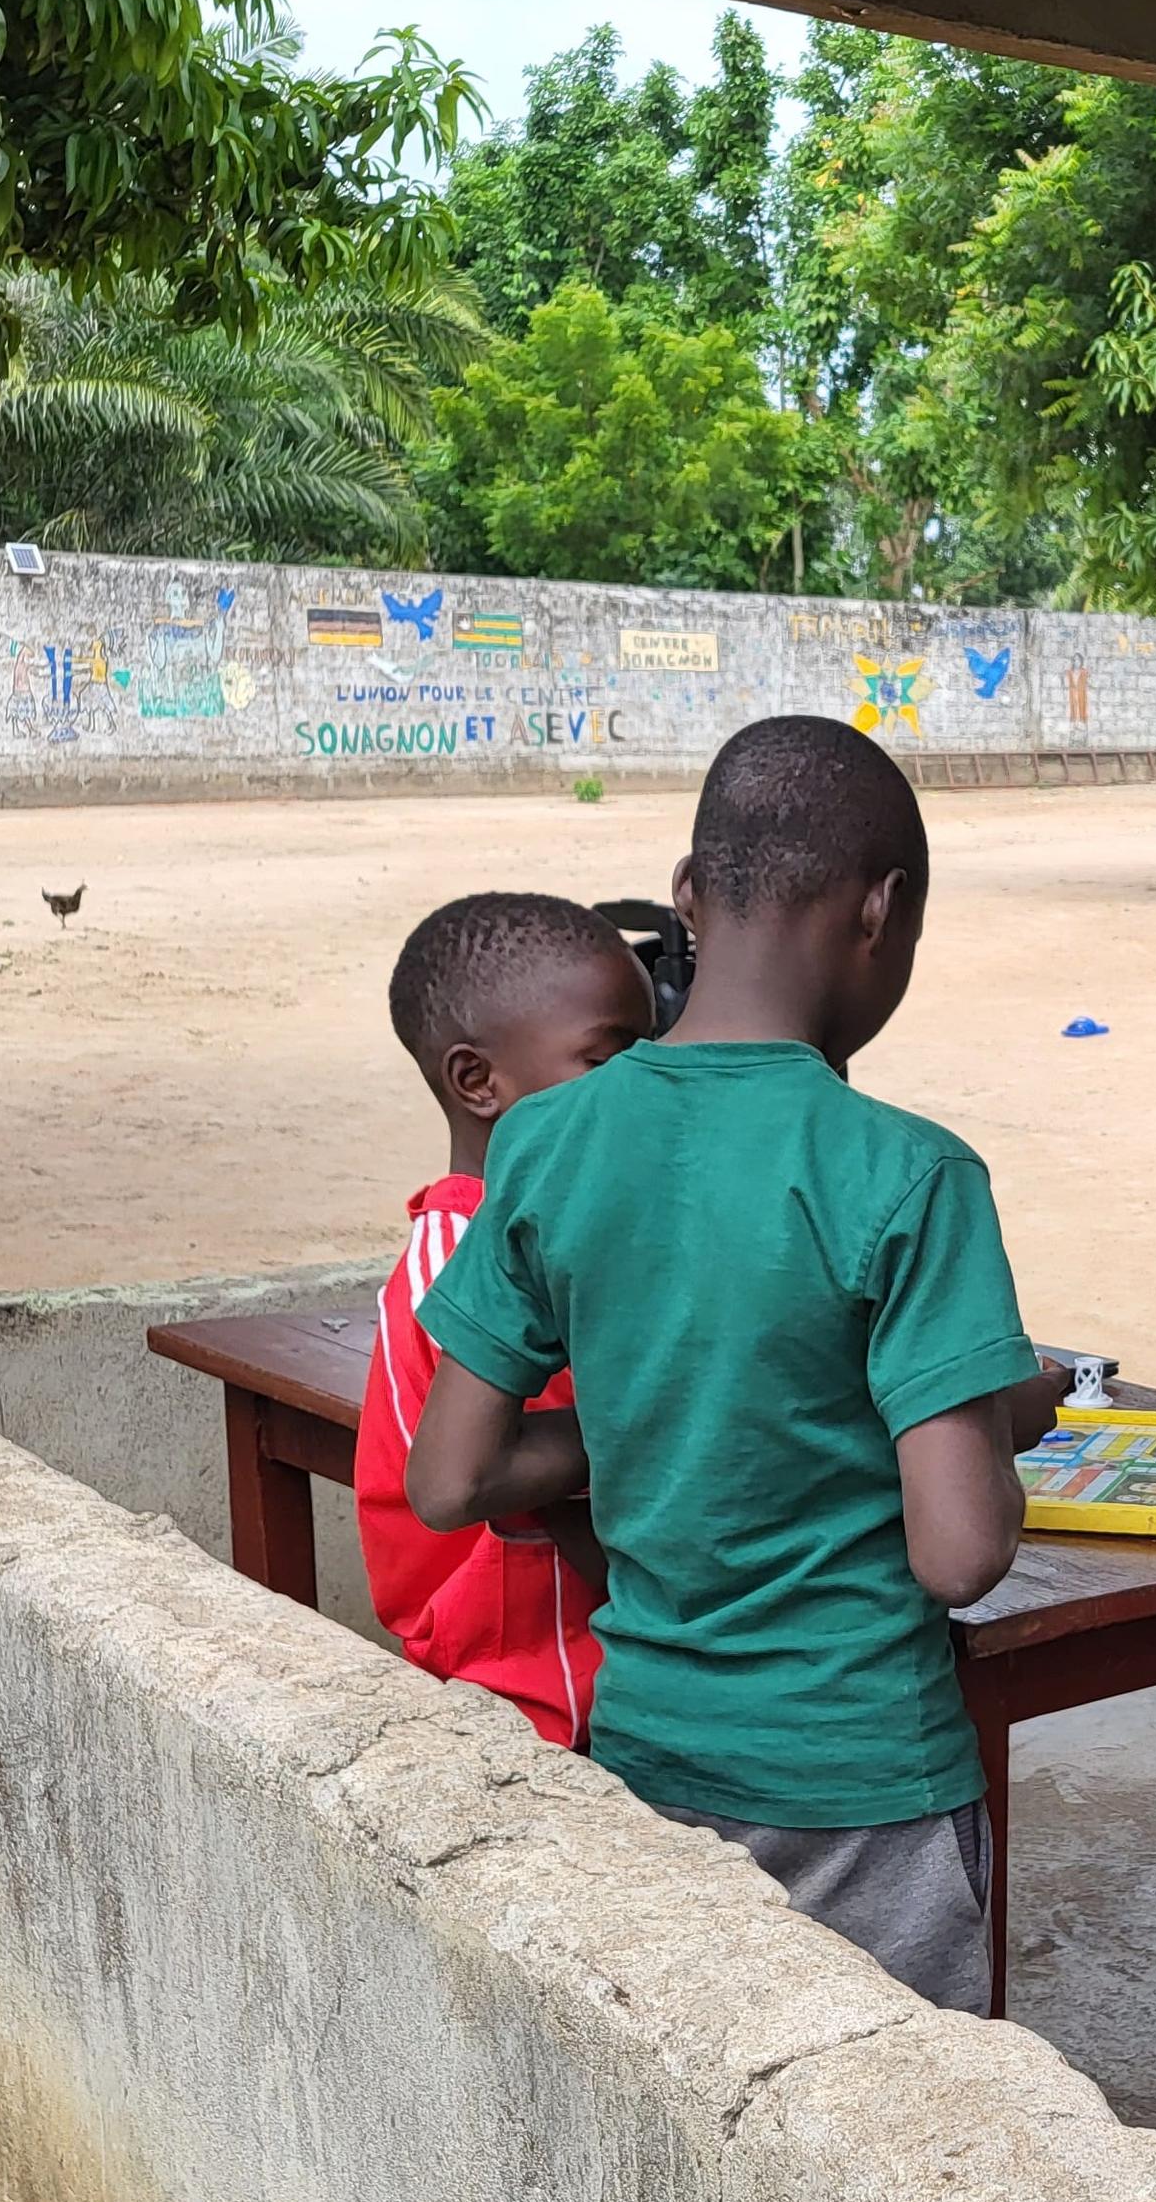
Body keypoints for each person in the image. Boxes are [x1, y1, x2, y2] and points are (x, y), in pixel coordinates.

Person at [404, 718, 1065, 2010]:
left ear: (689, 898)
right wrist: (992, 1420)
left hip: (649, 1763)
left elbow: (449, 1479)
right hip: (864, 1789)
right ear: (882, 912)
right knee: (888, 2117)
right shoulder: (912, 1172)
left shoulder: (545, 1142)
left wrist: (657, 1419)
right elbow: (960, 1553)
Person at [354, 891, 652, 1746]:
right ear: (478, 1083)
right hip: (545, 1704)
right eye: (607, 1059)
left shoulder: (479, 1236)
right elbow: (597, 1519)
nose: (643, 1084)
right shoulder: (490, 1267)